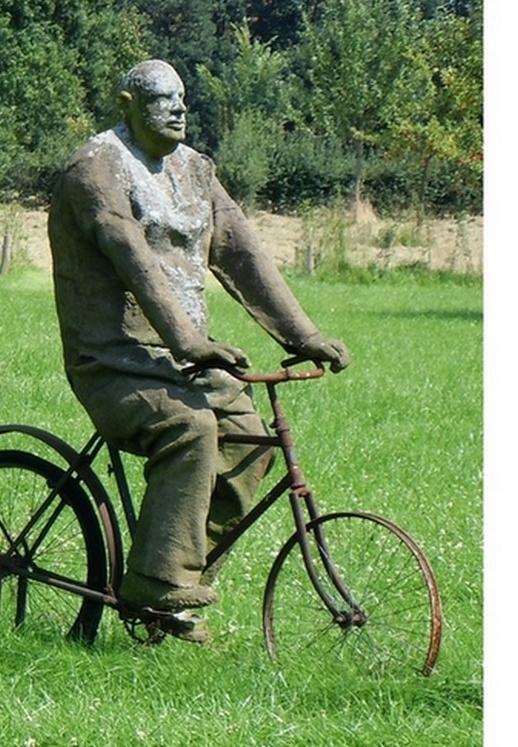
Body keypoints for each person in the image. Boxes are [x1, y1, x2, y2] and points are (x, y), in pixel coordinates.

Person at [47, 59, 349, 642]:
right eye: (162, 99)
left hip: (186, 360)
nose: (179, 109)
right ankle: (158, 580)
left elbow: (243, 254)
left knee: (251, 442)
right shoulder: (96, 168)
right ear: (127, 102)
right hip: (113, 360)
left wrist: (303, 336)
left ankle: (168, 573)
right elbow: (128, 252)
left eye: (183, 98)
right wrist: (189, 340)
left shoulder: (195, 171)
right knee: (190, 428)